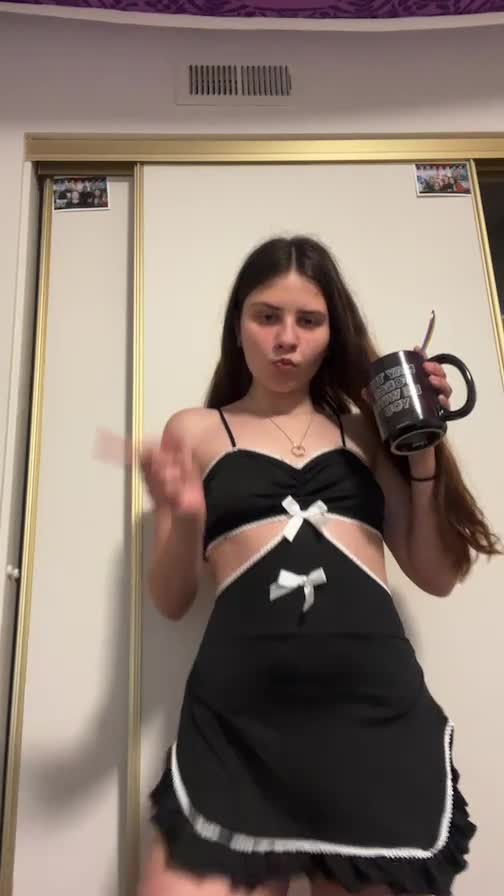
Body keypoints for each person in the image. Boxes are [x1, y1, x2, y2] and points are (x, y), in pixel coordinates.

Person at [139, 236, 501, 896]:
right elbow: (170, 600)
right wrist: (187, 514)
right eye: (266, 316)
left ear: (333, 333)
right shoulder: (193, 430)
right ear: (238, 324)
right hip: (237, 723)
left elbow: (436, 575)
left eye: (309, 320)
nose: (287, 339)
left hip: (373, 720)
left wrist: (421, 448)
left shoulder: (365, 430)